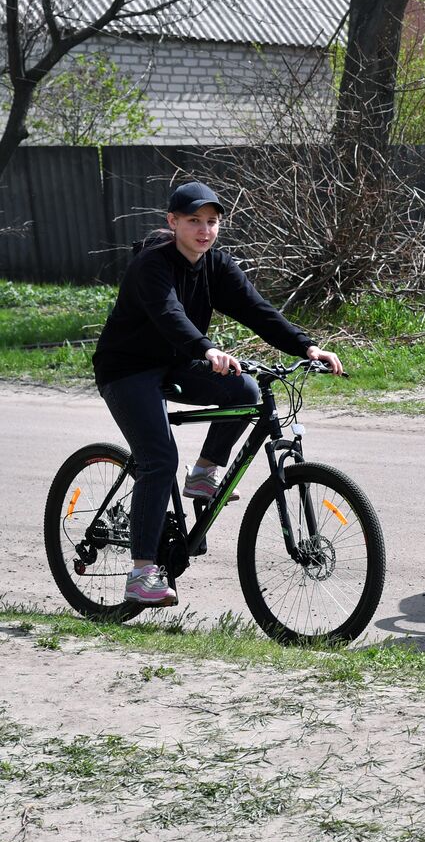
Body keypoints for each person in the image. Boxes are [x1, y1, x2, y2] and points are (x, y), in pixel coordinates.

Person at [92, 181, 343, 607]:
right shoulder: (152, 266)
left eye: (212, 222)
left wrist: (307, 346)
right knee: (158, 458)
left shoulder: (217, 265)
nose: (204, 230)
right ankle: (140, 572)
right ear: (173, 222)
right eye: (194, 221)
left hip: (175, 361)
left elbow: (256, 309)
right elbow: (169, 313)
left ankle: (204, 472)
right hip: (127, 369)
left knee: (244, 390)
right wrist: (206, 349)